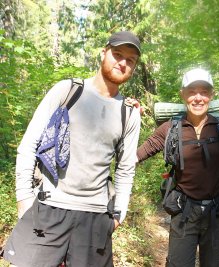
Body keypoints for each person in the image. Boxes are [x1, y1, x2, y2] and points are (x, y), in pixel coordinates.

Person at [2, 31, 142, 267]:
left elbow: (126, 168)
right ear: (103, 53)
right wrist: (24, 200)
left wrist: (119, 214)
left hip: (96, 217)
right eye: (117, 54)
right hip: (49, 208)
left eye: (130, 60)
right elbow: (29, 145)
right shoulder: (67, 91)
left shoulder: (129, 113)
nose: (123, 63)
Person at [137, 67, 219, 267]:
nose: (198, 98)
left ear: (211, 95)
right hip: (184, 212)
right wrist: (128, 116)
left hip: (218, 212)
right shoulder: (170, 128)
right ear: (183, 94)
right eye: (192, 91)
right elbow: (136, 155)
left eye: (204, 92)